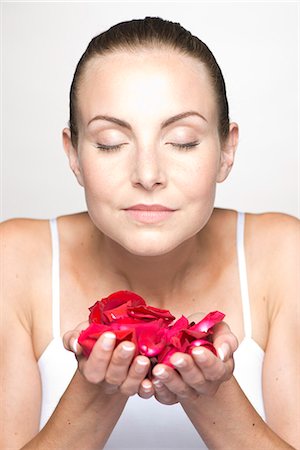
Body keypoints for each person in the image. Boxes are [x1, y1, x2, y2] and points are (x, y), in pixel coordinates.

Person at [1, 16, 299, 450]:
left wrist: (213, 398)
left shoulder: (284, 255)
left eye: (181, 141)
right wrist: (94, 397)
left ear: (226, 150)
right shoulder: (14, 261)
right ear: (74, 155)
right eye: (109, 142)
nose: (147, 174)